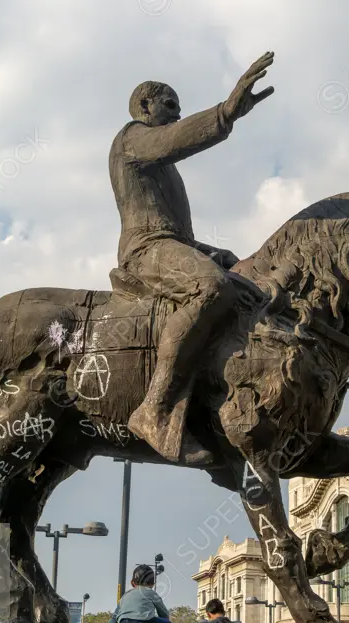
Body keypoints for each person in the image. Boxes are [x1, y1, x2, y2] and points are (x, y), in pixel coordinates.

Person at [110, 52, 275, 464]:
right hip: (145, 251)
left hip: (169, 246)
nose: (175, 115)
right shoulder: (133, 137)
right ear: (144, 106)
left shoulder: (161, 163)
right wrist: (226, 111)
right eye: (169, 106)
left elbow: (176, 232)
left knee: (248, 289)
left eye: (179, 110)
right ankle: (156, 408)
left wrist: (207, 251)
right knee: (212, 287)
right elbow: (177, 139)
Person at [95, 565, 172, 623]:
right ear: (153, 584)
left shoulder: (125, 596)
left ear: (132, 583)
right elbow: (164, 615)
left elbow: (114, 619)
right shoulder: (151, 593)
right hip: (142, 622)